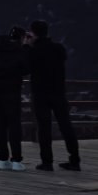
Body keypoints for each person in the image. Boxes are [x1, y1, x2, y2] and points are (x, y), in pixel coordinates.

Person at [25, 19, 80, 171]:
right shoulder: (58, 48)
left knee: (44, 127)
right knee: (66, 126)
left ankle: (47, 162)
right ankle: (74, 160)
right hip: (59, 92)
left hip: (41, 94)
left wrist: (27, 46)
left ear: (33, 33)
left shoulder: (33, 51)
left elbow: (25, 68)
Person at [0, 25, 28, 170]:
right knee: (14, 125)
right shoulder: (19, 50)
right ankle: (16, 160)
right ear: (22, 38)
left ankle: (2, 159)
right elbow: (25, 69)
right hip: (12, 90)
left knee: (0, 125)